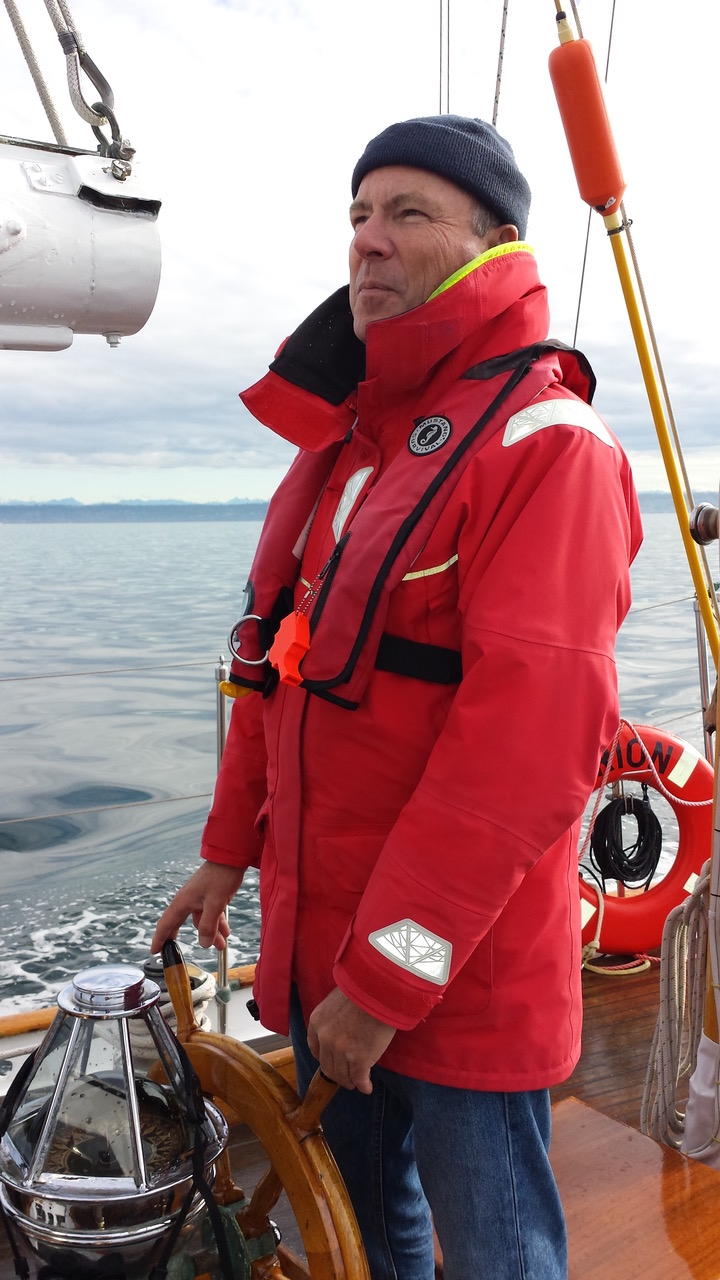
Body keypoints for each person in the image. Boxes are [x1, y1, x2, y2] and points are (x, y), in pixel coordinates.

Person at [152, 115, 643, 1279]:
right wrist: (228, 855)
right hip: (326, 959)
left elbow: (521, 757)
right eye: (359, 217)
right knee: (368, 1237)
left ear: (495, 243)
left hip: (453, 987)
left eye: (408, 214)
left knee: (498, 1254)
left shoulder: (548, 445)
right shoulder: (350, 456)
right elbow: (276, 670)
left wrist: (383, 982)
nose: (368, 243)